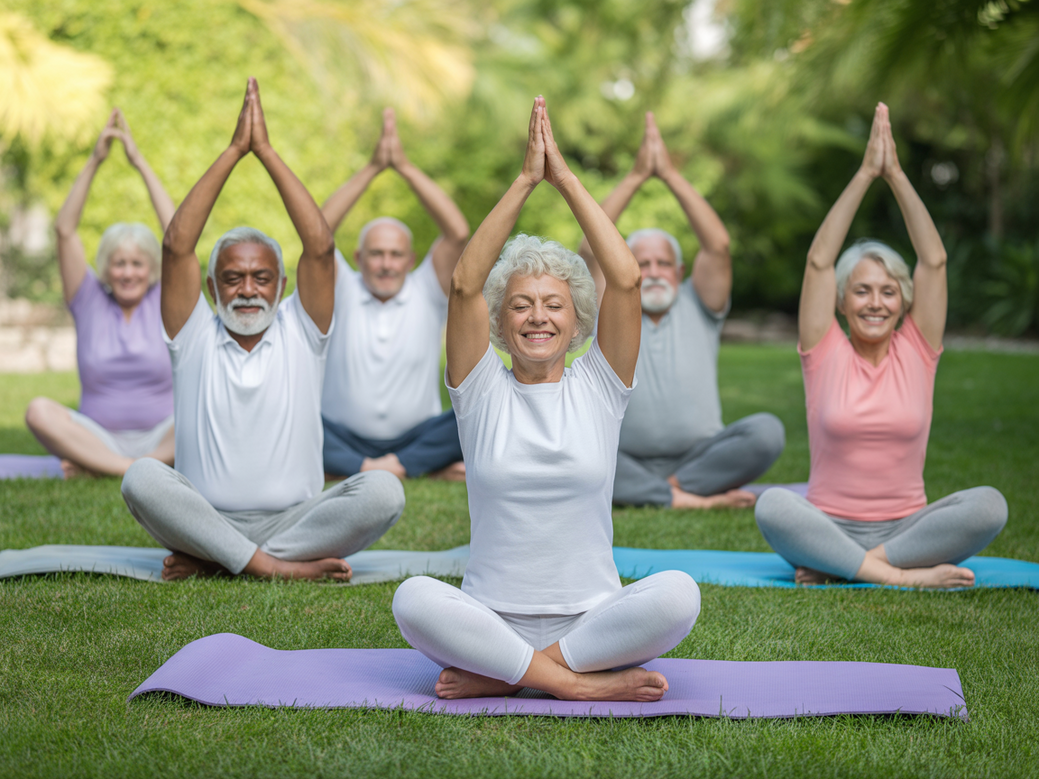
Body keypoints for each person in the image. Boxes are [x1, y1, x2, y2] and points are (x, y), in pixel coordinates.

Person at [392, 97, 701, 702]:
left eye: (553, 304)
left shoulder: (600, 385)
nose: (537, 316)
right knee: (412, 599)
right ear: (500, 325)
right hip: (490, 619)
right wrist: (525, 181)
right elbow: (463, 283)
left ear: (578, 318)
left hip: (593, 622)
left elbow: (629, 279)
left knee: (679, 594)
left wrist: (563, 178)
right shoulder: (478, 389)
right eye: (521, 305)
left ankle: (518, 673)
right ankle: (574, 686)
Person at [120, 79, 404, 582]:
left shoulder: (303, 327)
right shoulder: (193, 335)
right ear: (212, 287)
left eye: (261, 277)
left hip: (296, 521)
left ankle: (221, 558)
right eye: (233, 278)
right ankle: (272, 567)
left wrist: (266, 152)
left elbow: (319, 246)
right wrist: (234, 151)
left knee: (385, 491)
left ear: (282, 285)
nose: (247, 289)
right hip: (203, 515)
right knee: (141, 477)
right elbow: (176, 248)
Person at [755, 103, 1007, 588]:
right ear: (842, 303)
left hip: (909, 528)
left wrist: (893, 174)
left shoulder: (918, 349)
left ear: (903, 302)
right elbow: (818, 262)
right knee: (773, 505)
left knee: (990, 504)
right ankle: (901, 577)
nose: (876, 302)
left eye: (889, 291)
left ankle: (854, 566)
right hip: (828, 524)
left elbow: (933, 260)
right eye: (862, 290)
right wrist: (865, 173)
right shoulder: (824, 350)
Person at [578, 113, 784, 510]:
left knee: (767, 432)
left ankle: (670, 490)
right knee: (575, 447)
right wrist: (636, 177)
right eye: (642, 263)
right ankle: (687, 498)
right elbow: (590, 246)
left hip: (700, 458)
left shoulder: (699, 302)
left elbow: (718, 246)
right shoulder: (611, 304)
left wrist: (670, 175)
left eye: (662, 263)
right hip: (622, 457)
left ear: (680, 272)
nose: (653, 272)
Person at [320, 108, 469, 482]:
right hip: (341, 434)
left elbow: (458, 233)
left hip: (416, 436)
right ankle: (404, 469)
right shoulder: (342, 286)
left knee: (475, 409)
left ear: (411, 260)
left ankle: (387, 466)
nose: (386, 264)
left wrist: (404, 167)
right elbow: (316, 230)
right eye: (376, 253)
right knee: (293, 414)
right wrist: (371, 169)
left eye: (395, 254)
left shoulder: (427, 287)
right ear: (358, 258)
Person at [25, 109, 175, 479]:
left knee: (209, 407)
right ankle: (131, 469)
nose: (128, 272)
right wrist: (95, 160)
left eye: (137, 264)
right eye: (119, 263)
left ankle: (102, 469)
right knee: (37, 411)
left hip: (163, 435)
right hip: (98, 437)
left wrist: (139, 162)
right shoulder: (88, 298)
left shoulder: (165, 299)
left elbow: (177, 233)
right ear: (106, 267)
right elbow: (64, 230)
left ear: (152, 268)